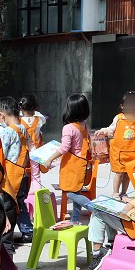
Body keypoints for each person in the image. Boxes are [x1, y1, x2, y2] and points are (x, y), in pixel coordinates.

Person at [38, 94, 93, 223]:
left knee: (69, 193)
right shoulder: (84, 125)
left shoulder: (68, 128)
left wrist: (50, 159)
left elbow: (64, 148)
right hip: (82, 164)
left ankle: (94, 207)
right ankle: (75, 220)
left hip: (72, 166)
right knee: (77, 192)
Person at [95, 90, 135, 200]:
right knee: (119, 173)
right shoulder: (118, 118)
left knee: (128, 174)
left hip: (133, 152)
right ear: (122, 106)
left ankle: (124, 192)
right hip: (119, 153)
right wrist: (103, 131)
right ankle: (115, 192)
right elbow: (111, 130)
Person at [0, 98, 33, 240]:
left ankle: (7, 233)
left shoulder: (7, 132)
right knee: (21, 203)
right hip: (23, 173)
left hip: (11, 174)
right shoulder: (23, 129)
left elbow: (1, 153)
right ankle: (27, 230)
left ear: (1, 115)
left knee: (9, 204)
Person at [18, 95, 47, 188]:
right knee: (35, 173)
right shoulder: (39, 120)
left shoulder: (19, 121)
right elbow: (42, 117)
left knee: (22, 171)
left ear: (21, 108)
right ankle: (36, 191)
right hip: (36, 150)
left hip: (23, 151)